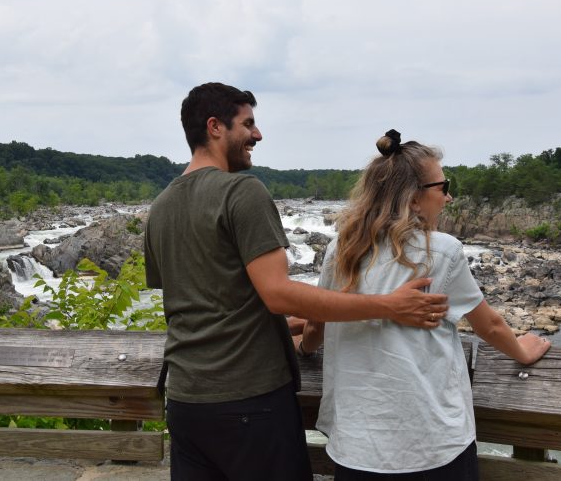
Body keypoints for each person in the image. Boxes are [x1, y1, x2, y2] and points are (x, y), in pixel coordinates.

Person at [144, 85, 451, 481]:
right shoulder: (242, 191)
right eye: (248, 124)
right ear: (215, 127)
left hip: (185, 401)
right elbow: (277, 294)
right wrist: (388, 305)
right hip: (249, 401)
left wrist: (304, 324)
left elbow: (212, 305)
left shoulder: (161, 206)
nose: (258, 135)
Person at [300, 130, 551, 480]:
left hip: (357, 445)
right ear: (414, 199)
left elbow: (317, 325)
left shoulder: (342, 249)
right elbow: (488, 325)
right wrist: (522, 352)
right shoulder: (441, 251)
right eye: (443, 187)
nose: (448, 198)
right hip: (430, 443)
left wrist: (306, 350)